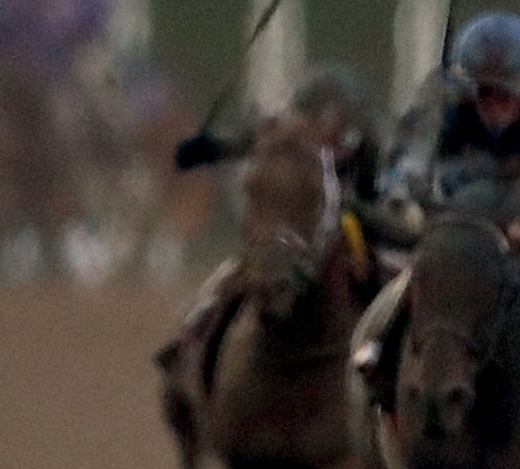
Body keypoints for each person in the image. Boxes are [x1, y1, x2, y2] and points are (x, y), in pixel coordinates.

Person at [351, 11, 520, 390]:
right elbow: (409, 154)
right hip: (454, 209)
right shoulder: (440, 91)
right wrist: (410, 192)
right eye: (485, 93)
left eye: (507, 94)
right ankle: (381, 338)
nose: (496, 104)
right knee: (423, 263)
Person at [157, 64, 391, 371]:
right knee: (235, 274)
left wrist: (356, 210)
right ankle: (194, 332)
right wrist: (202, 148)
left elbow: (373, 192)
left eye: (333, 126)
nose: (323, 133)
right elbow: (236, 142)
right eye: (313, 122)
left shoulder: (365, 146)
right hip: (286, 232)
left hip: (343, 229)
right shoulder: (281, 137)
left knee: (373, 269)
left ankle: (382, 342)